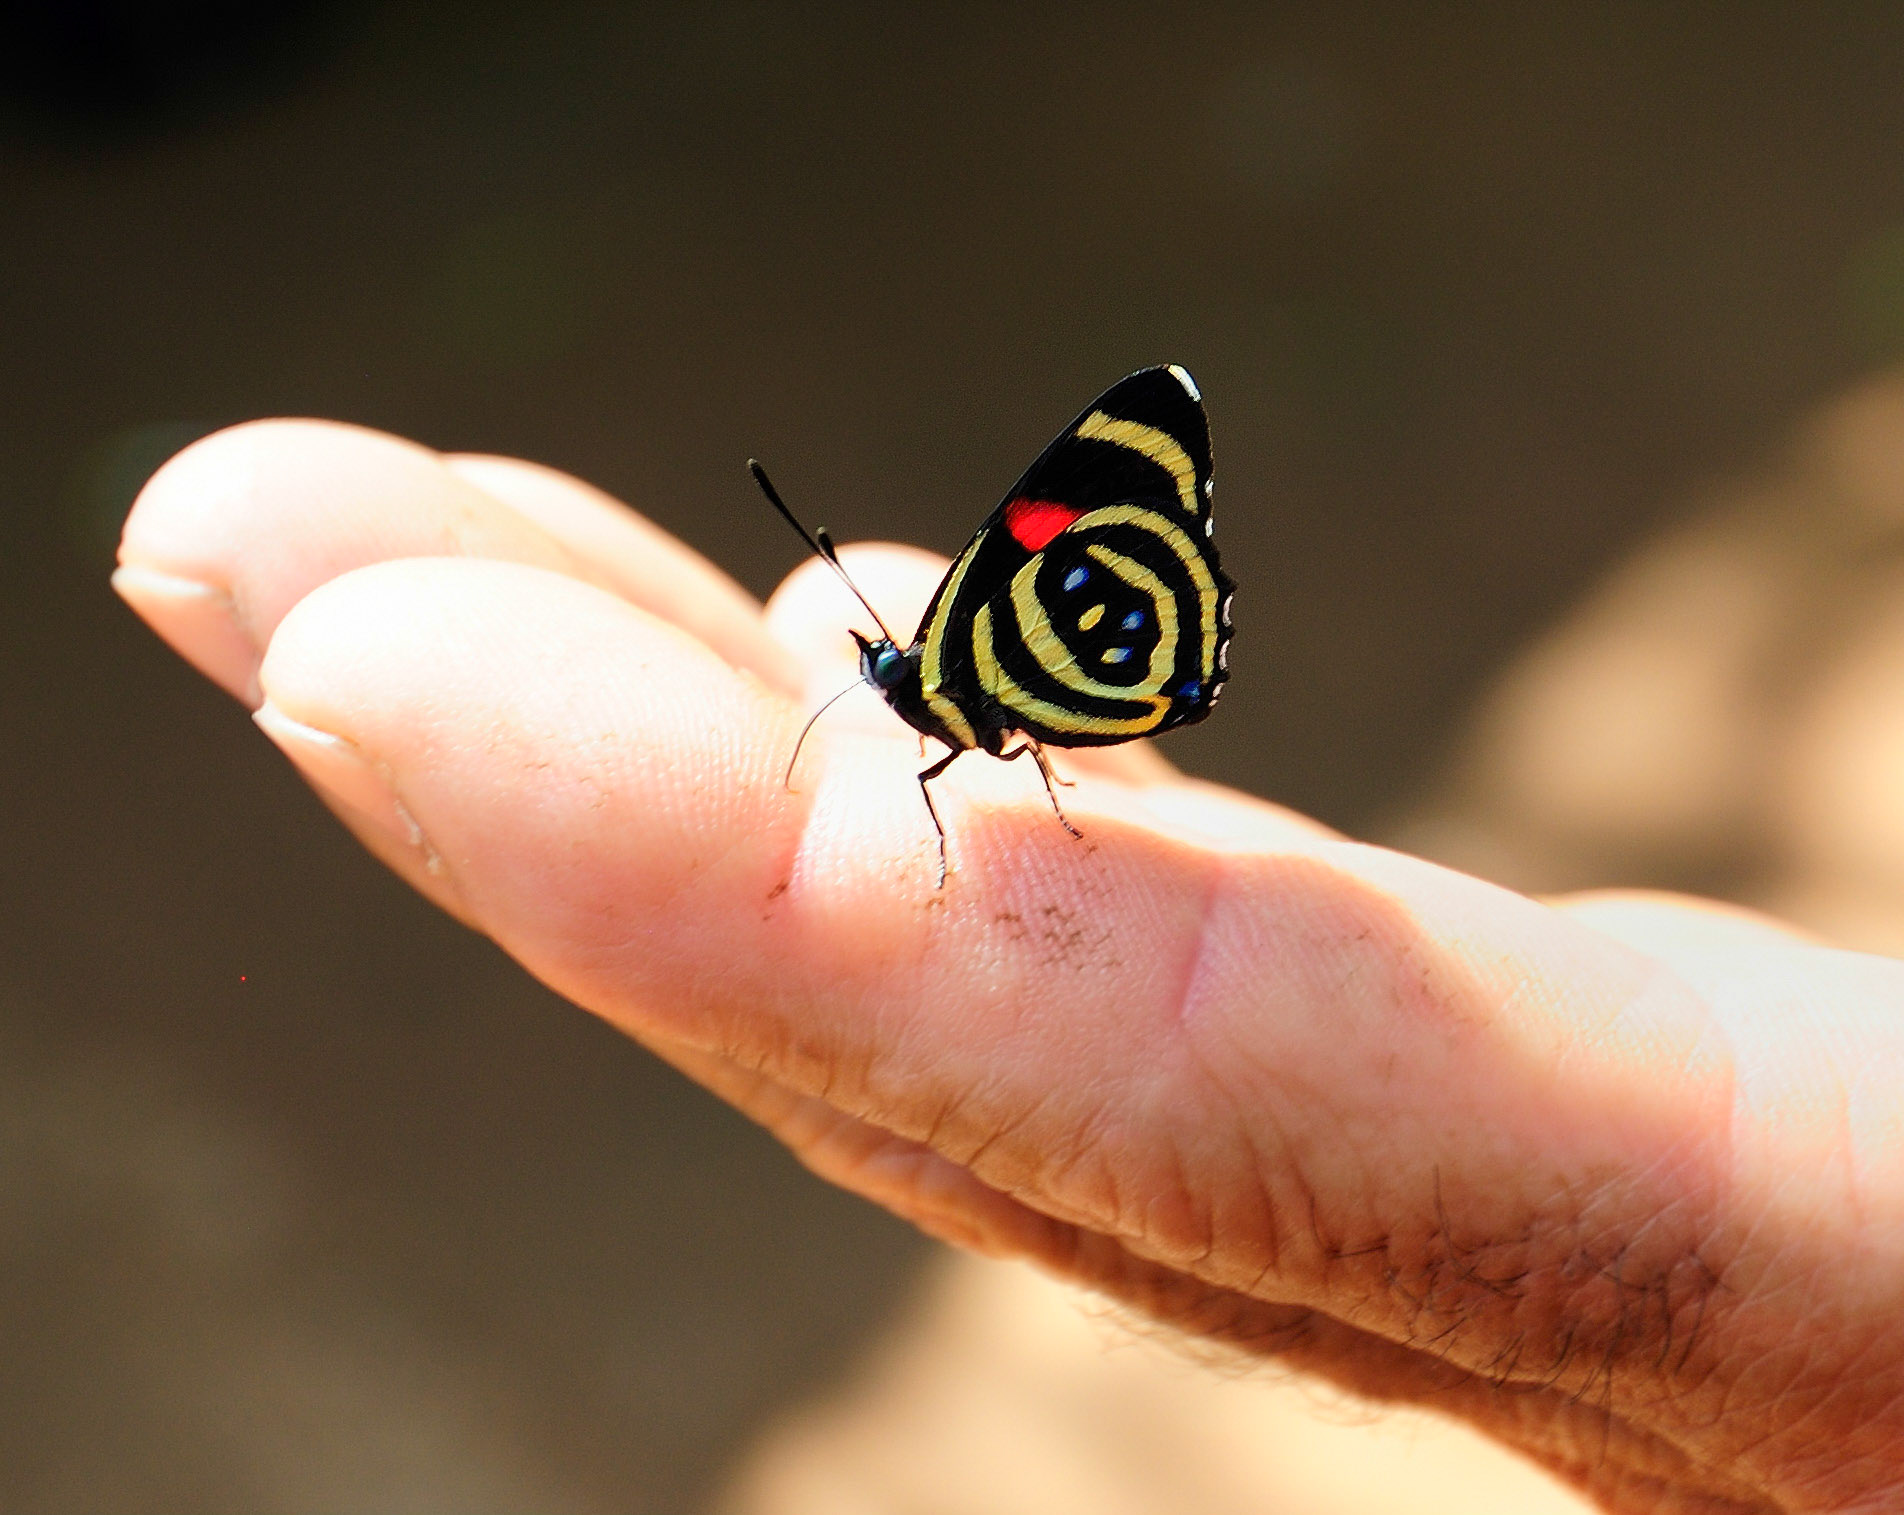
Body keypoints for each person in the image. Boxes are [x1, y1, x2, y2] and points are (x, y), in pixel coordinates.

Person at [114, 418, 1904, 1514]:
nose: (903, 682)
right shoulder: (944, 685)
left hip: (1100, 679)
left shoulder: (980, 664)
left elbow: (1112, 482)